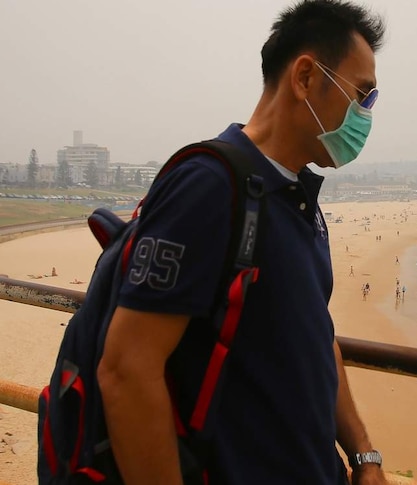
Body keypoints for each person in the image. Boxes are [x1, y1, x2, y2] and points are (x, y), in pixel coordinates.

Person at [96, 2, 388, 484]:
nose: (366, 116)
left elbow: (317, 338)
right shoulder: (209, 187)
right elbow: (127, 370)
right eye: (362, 95)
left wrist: (362, 453)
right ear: (305, 78)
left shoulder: (299, 201)